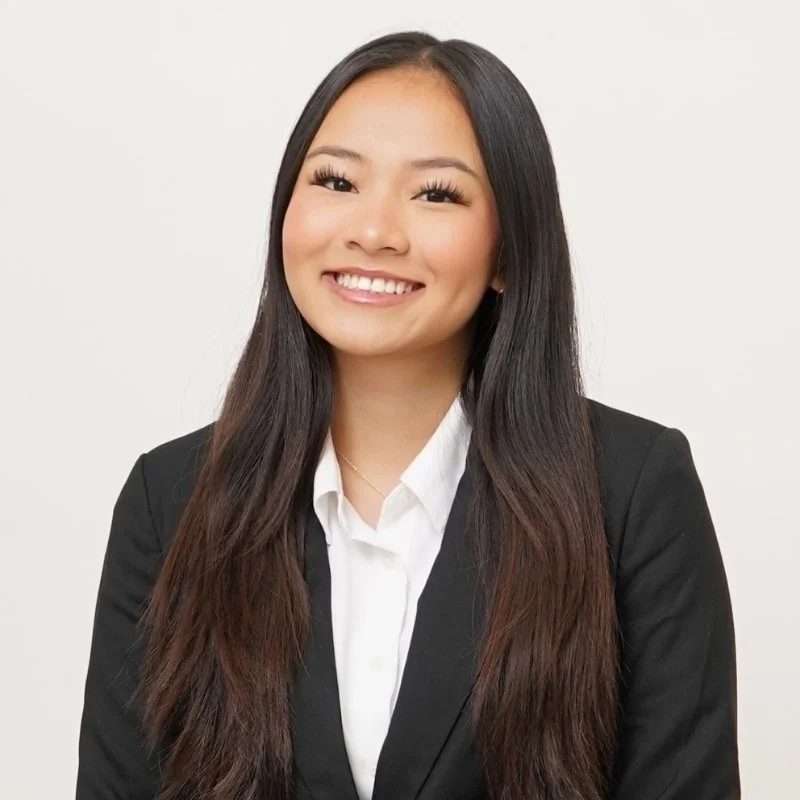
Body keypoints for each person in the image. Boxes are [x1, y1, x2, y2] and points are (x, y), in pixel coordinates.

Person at [75, 30, 740, 800]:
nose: (373, 232)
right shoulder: (169, 500)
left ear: (508, 251)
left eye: (436, 194)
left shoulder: (631, 494)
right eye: (336, 181)